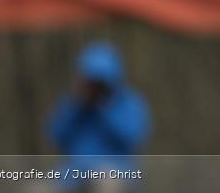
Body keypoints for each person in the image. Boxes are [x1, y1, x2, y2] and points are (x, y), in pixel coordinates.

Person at [47, 42, 151, 192]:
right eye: (90, 82)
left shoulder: (128, 103)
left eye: (99, 83)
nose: (93, 88)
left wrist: (105, 108)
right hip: (75, 173)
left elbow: (133, 136)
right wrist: (75, 107)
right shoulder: (74, 104)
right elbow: (56, 136)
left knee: (106, 183)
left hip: (117, 172)